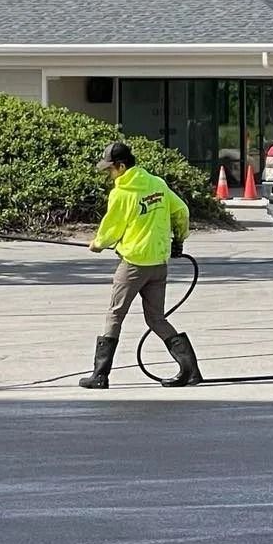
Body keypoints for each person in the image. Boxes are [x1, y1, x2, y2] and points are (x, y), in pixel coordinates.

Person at [78, 142, 203, 389]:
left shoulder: (122, 193)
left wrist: (98, 243)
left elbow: (111, 228)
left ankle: (100, 375)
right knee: (156, 319)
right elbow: (181, 211)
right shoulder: (157, 183)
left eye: (110, 169)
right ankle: (190, 370)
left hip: (134, 264)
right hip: (158, 263)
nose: (108, 174)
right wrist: (178, 239)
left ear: (122, 166)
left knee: (115, 314)